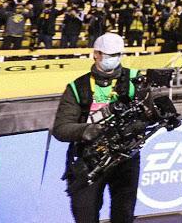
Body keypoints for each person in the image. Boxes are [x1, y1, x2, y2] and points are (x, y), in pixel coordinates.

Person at [51, 33, 141, 223]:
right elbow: (60, 128)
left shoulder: (134, 79)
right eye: (108, 55)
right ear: (96, 54)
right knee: (85, 213)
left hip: (124, 157)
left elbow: (149, 113)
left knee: (124, 213)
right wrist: (86, 130)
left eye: (117, 54)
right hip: (89, 159)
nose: (113, 59)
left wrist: (136, 125)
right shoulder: (77, 87)